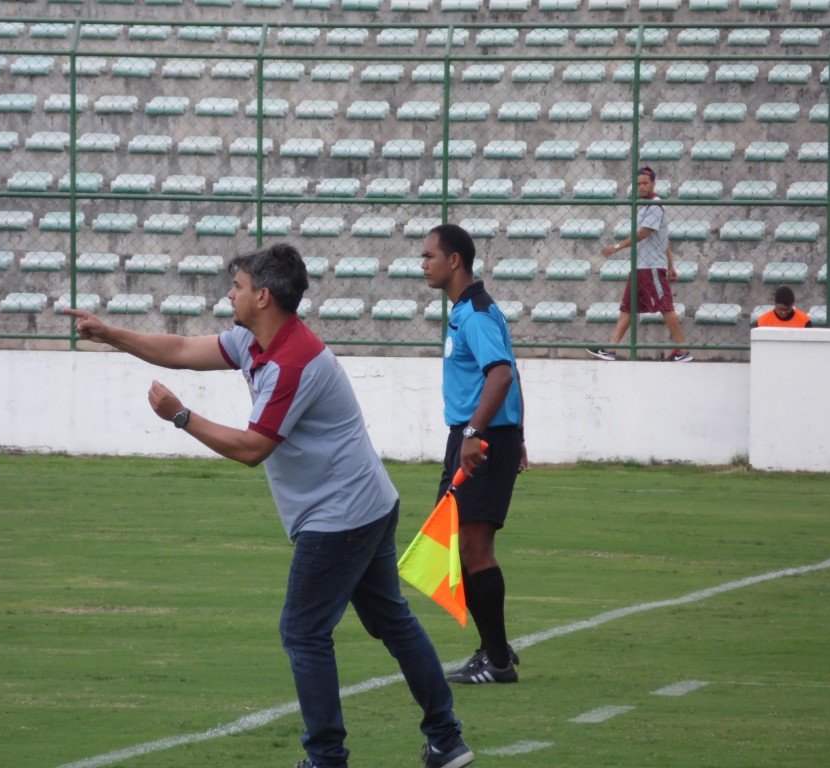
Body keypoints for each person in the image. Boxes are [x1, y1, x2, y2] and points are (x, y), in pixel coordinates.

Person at [63, 243, 474, 768]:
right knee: (391, 620)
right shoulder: (255, 340)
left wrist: (181, 416)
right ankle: (447, 739)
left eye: (235, 285)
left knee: (304, 632)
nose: (228, 293)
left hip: (340, 516)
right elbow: (183, 349)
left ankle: (327, 758)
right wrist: (110, 334)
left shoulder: (292, 363)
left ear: (262, 296)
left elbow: (253, 450)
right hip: (368, 502)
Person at [421, 224, 528, 686]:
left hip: (479, 440)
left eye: (429, 256)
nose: (423, 264)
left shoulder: (477, 313)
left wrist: (475, 432)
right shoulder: (468, 310)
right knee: (452, 543)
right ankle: (496, 647)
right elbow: (508, 373)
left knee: (472, 547)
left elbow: (500, 375)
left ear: (455, 261)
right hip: (478, 435)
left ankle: (498, 661)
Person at [587, 166, 693, 362]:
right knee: (627, 307)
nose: (641, 187)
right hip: (640, 267)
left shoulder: (655, 205)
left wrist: (617, 247)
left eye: (645, 183)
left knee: (665, 306)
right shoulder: (643, 205)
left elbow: (645, 233)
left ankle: (682, 349)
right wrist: (672, 265)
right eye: (638, 184)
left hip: (651, 267)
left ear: (653, 183)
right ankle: (611, 348)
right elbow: (665, 240)